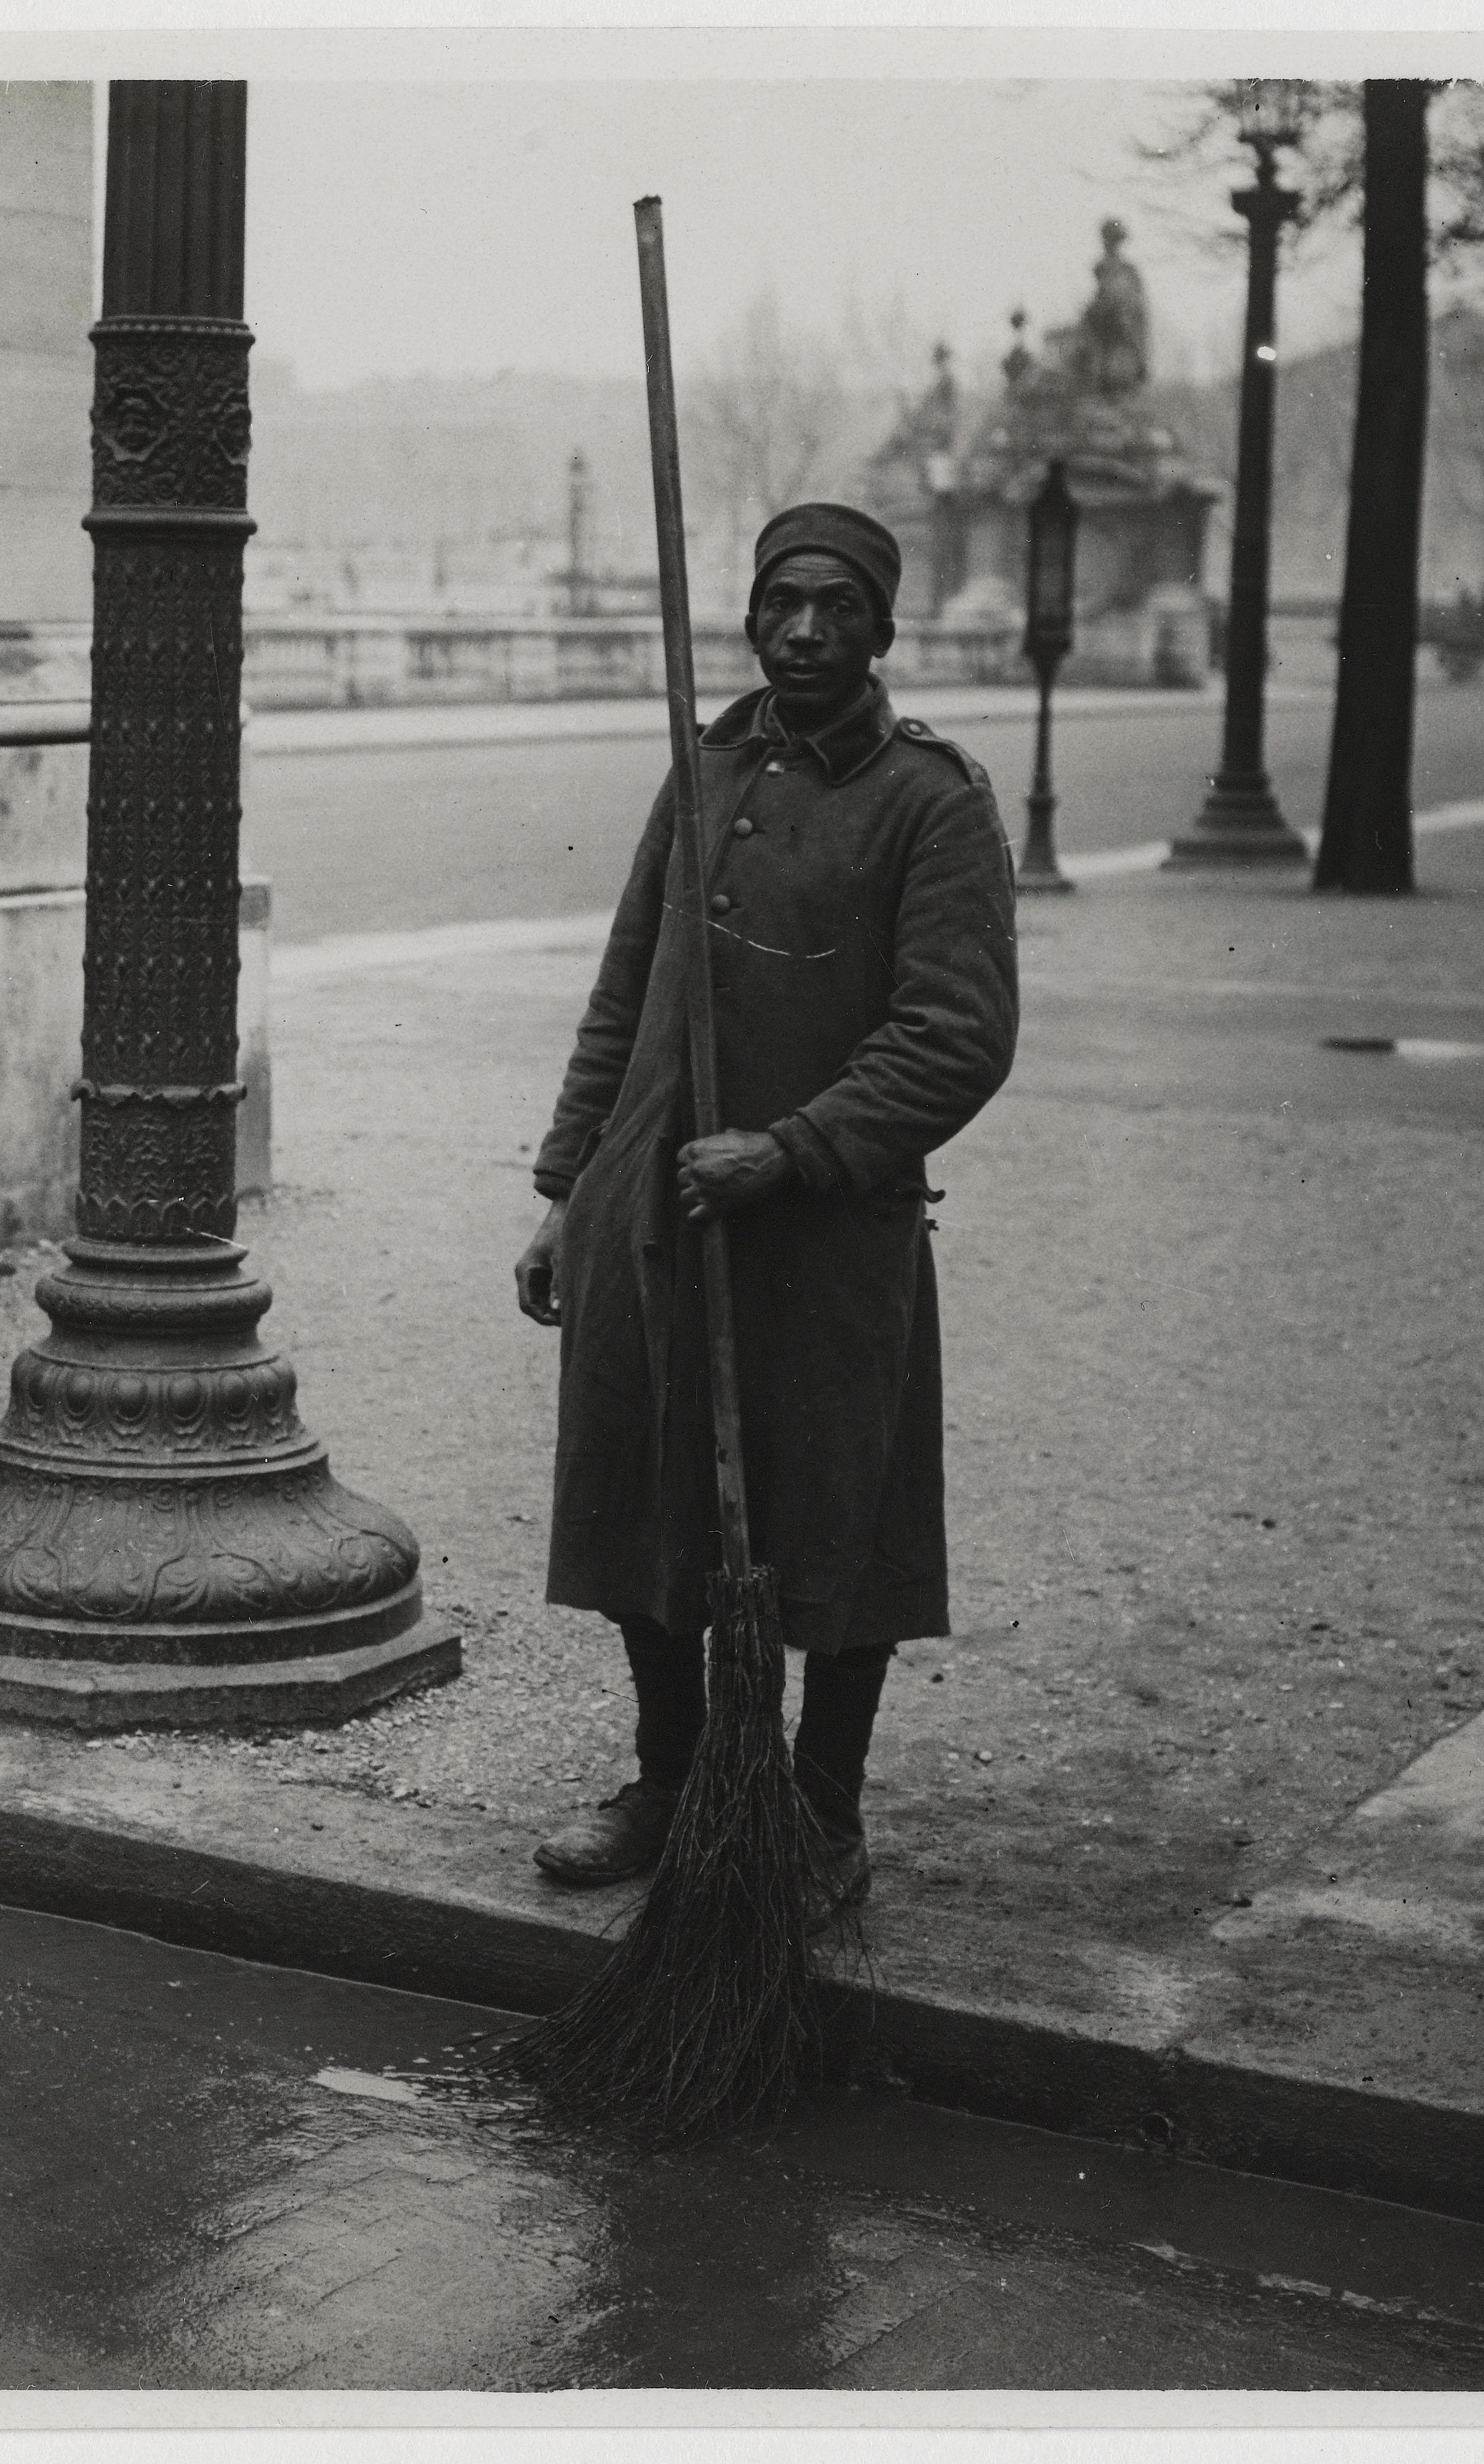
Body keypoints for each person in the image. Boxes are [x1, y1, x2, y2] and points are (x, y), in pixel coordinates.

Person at [514, 502, 1019, 1898]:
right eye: (782, 604)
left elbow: (956, 1038)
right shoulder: (705, 765)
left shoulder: (934, 800)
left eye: (837, 607)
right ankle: (673, 1781)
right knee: (641, 1501)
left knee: (839, 1518)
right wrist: (568, 1187)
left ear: (882, 630)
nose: (805, 630)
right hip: (655, 1206)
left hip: (823, 1225)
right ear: (748, 619)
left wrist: (792, 1150)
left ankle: (819, 1811)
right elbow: (627, 991)